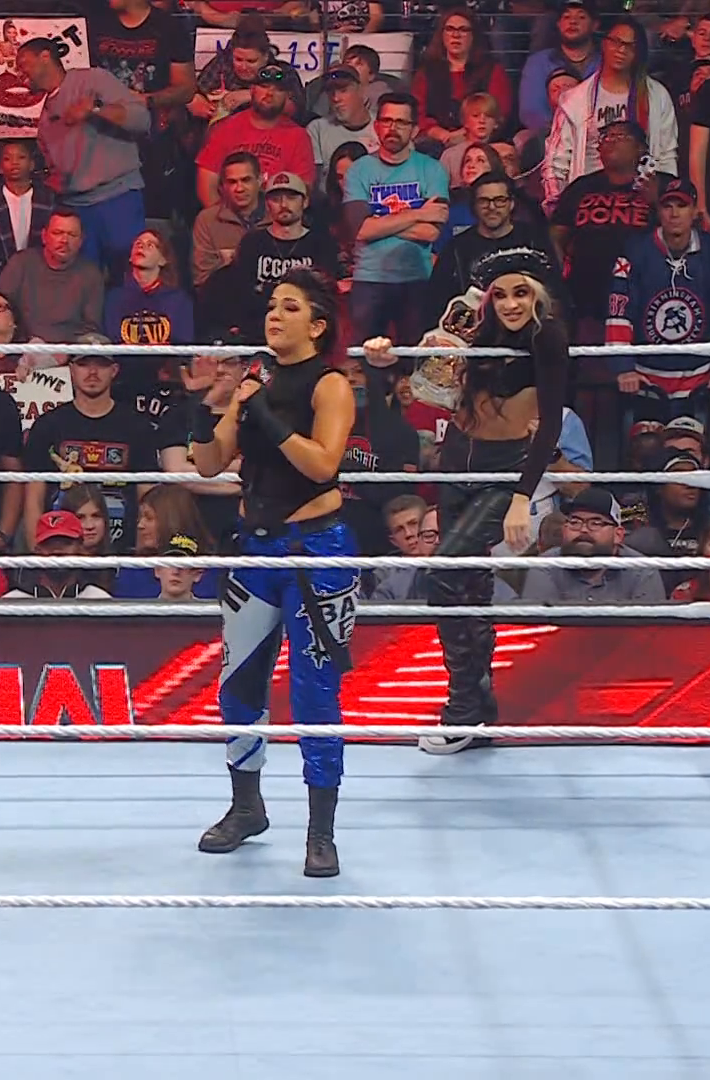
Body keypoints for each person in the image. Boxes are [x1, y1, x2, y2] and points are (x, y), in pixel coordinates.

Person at [188, 269, 358, 878]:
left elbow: (323, 465)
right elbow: (208, 465)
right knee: (238, 685)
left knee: (315, 692)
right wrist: (213, 405)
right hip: (255, 550)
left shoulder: (331, 385)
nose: (275, 315)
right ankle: (246, 807)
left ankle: (321, 832)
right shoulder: (253, 380)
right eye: (272, 306)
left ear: (316, 325)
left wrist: (261, 409)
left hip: (317, 549)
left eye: (290, 307)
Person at [370, 246, 568, 755]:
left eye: (521, 293)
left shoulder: (547, 336)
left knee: (444, 572)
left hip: (502, 472)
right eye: (501, 295)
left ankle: (461, 710)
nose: (511, 304)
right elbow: (429, 375)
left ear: (537, 295)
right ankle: (478, 709)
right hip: (456, 466)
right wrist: (387, 357)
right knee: (471, 587)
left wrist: (522, 497)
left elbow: (550, 424)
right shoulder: (475, 328)